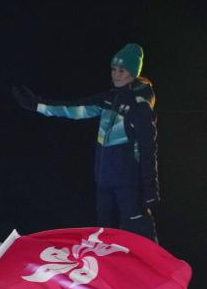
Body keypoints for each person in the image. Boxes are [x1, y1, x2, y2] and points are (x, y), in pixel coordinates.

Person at [13, 42, 160, 241]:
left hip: (128, 184)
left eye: (122, 71)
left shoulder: (139, 106)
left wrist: (150, 188)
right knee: (103, 236)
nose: (116, 75)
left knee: (139, 235)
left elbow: (148, 147)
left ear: (133, 73)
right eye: (113, 69)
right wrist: (37, 105)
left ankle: (154, 261)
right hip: (103, 182)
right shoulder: (109, 99)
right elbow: (75, 109)